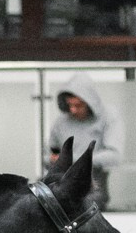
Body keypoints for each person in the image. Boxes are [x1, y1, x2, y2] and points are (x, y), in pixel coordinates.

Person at [46, 75, 123, 209]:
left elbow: (114, 156)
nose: (73, 110)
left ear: (90, 102)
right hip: (60, 185)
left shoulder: (109, 117)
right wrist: (52, 159)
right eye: (70, 105)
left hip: (93, 187)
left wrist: (73, 159)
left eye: (78, 105)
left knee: (81, 206)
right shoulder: (61, 122)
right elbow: (48, 154)